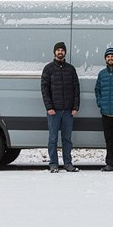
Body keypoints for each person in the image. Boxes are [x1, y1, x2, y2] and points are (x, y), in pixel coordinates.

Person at [41, 41, 80, 173]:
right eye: (58, 50)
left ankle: (68, 164)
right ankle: (53, 164)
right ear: (54, 52)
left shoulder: (71, 69)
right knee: (53, 139)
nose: (60, 52)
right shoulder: (48, 69)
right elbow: (44, 90)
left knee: (67, 139)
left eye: (62, 50)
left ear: (65, 52)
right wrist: (49, 107)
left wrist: (75, 107)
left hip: (68, 111)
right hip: (54, 111)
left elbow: (76, 89)